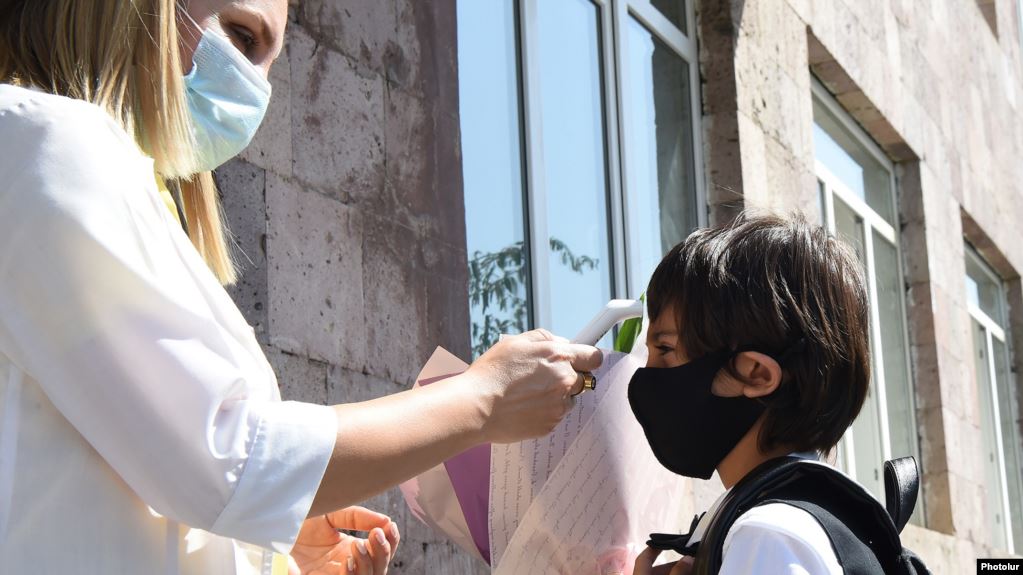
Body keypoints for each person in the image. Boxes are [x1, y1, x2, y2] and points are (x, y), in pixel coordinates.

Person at [0, 1, 602, 574]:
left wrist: (269, 555)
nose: (255, 85)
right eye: (240, 36)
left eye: (268, 62)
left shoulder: (116, 181)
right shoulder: (47, 145)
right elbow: (223, 458)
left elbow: (133, 483)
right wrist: (482, 399)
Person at [629, 213, 872, 574]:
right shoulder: (829, 513)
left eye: (665, 349)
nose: (647, 375)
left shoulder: (768, 536)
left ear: (756, 374)